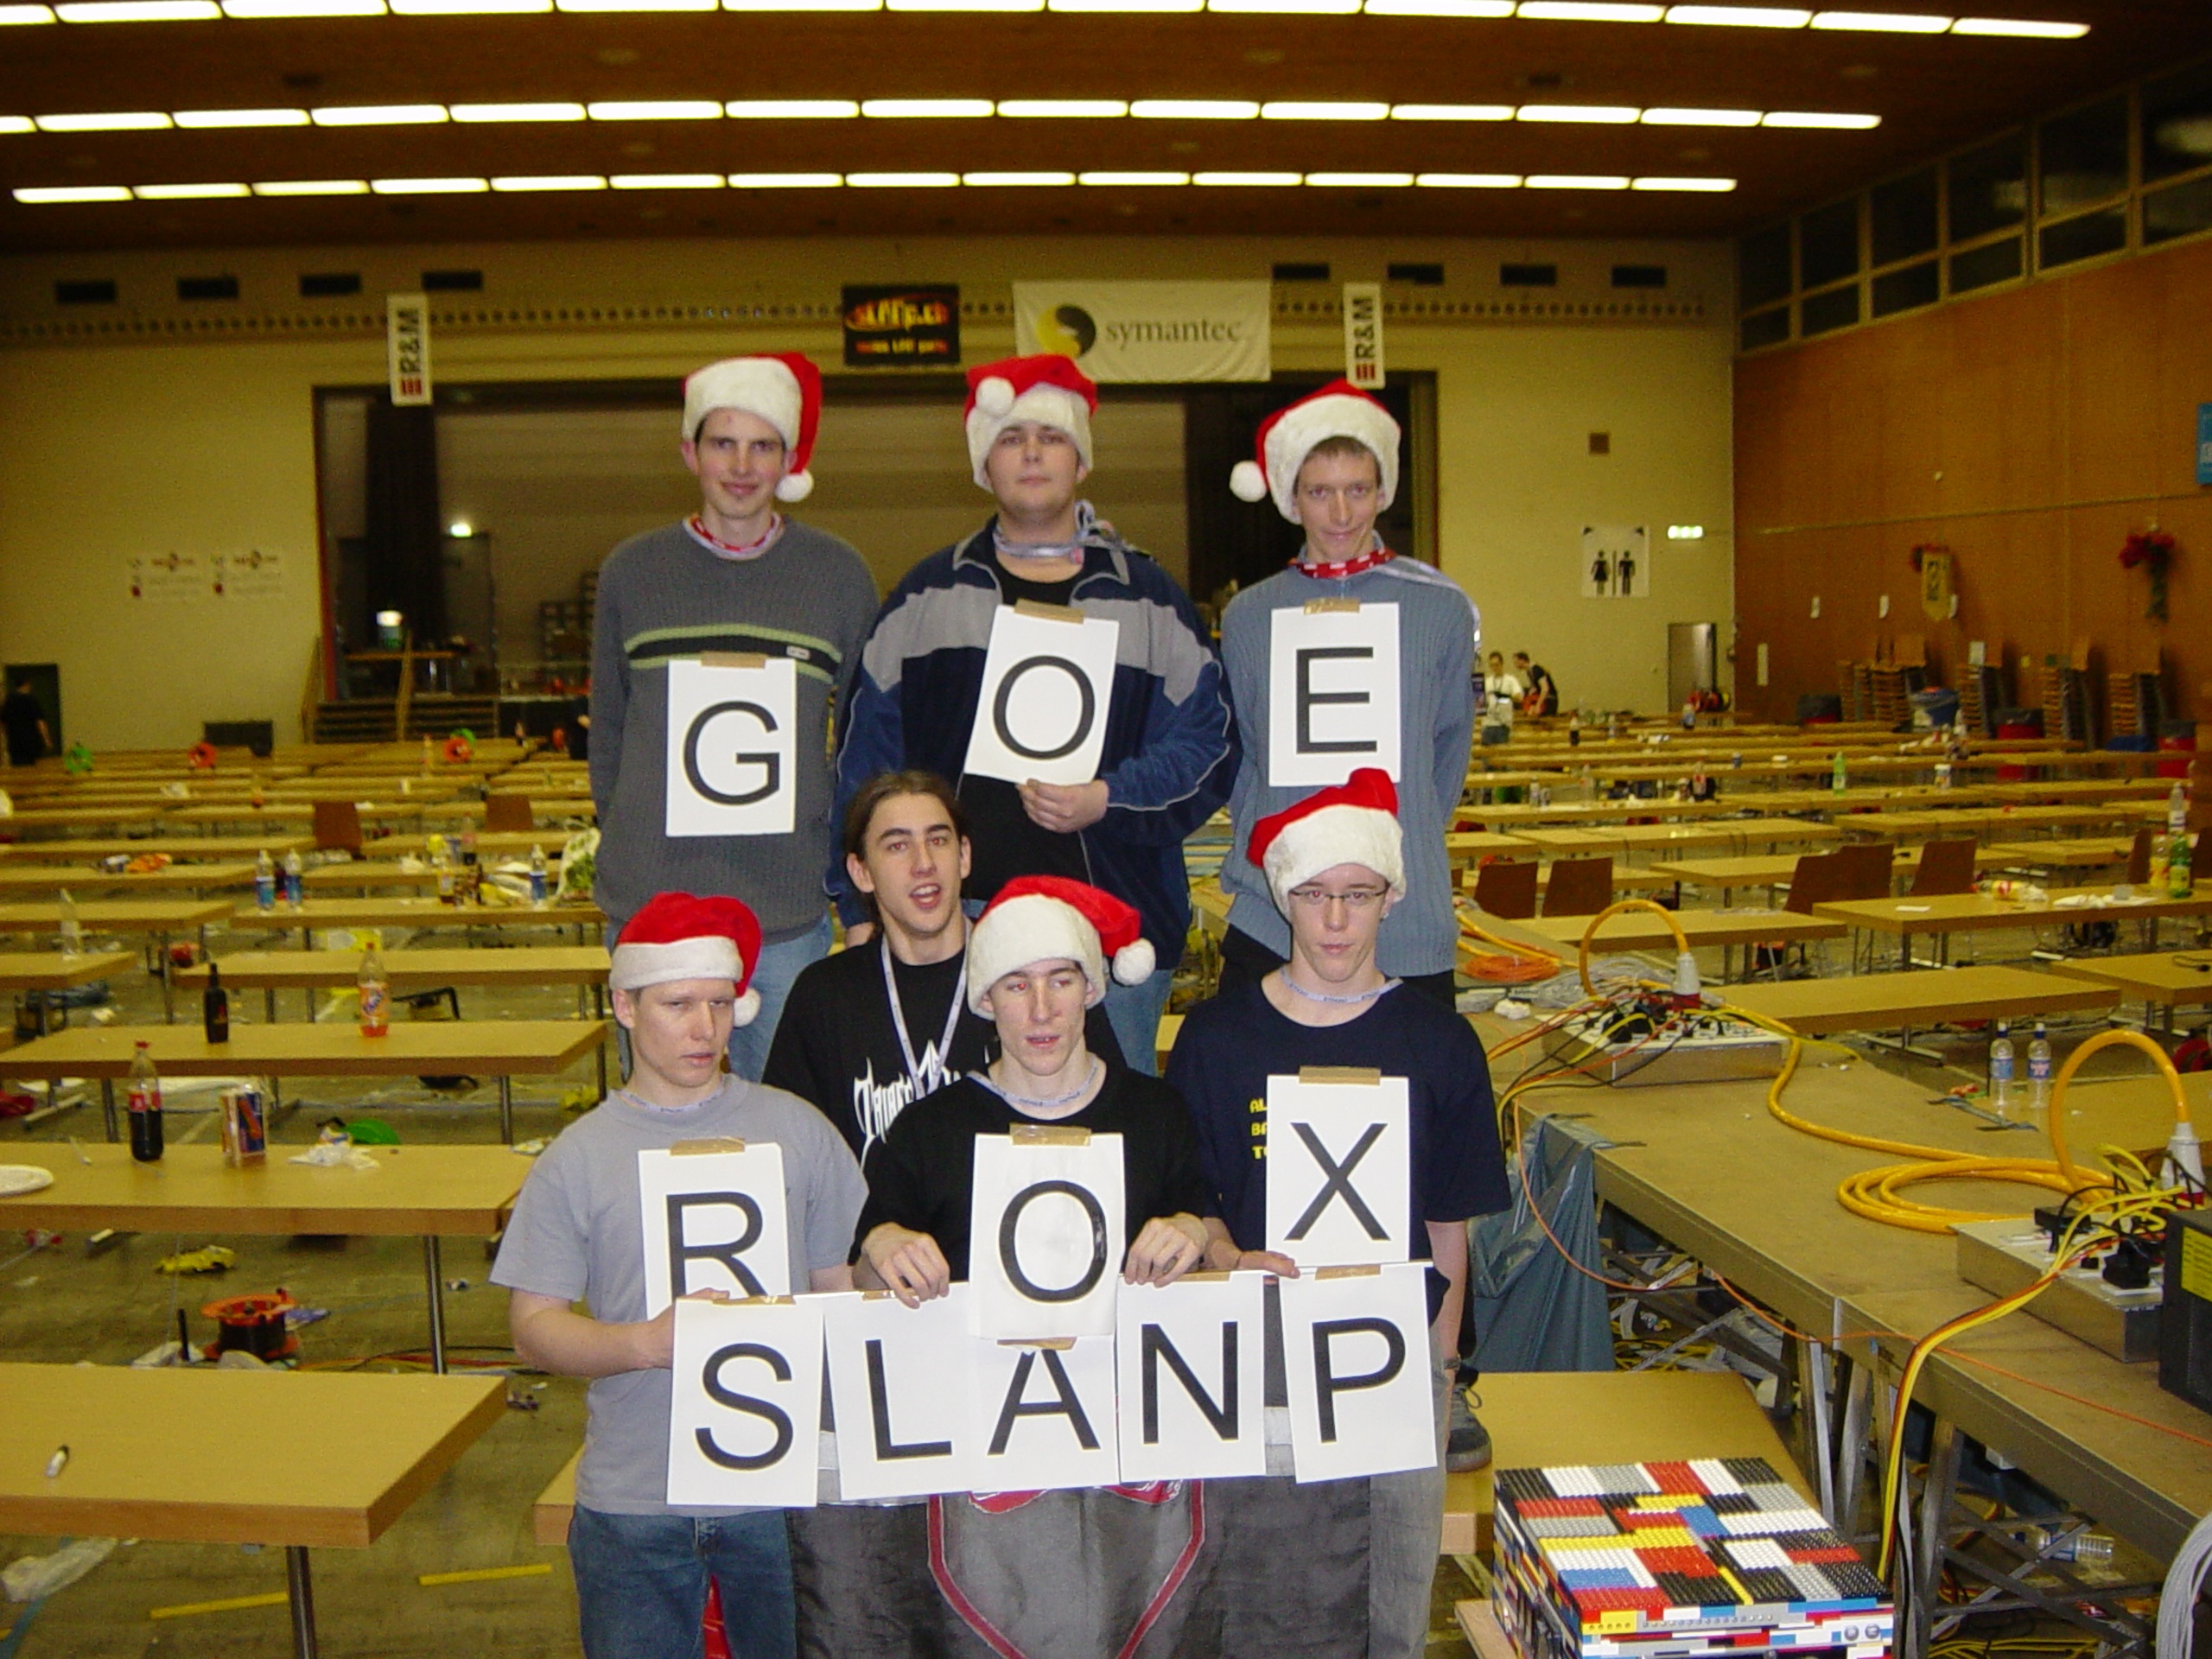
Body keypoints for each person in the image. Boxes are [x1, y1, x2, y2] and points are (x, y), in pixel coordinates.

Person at [1166, 770, 1510, 1659]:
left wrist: (1438, 1375)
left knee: (1383, 1603)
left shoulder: (1439, 1042)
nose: (1334, 920)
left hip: (1389, 1358)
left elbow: (1447, 1229)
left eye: (1357, 895)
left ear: (1392, 898)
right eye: (1314, 894)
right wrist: (1225, 1257)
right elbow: (1193, 1203)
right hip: (1256, 1351)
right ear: (1283, 895)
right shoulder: (1216, 1038)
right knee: (1250, 1594)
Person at [832, 354, 1236, 1074]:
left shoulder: (1148, 599)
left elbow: (1211, 743)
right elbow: (867, 763)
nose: (1031, 453)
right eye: (1011, 438)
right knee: (965, 1126)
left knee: (1116, 1125)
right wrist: (860, 908)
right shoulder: (925, 599)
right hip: (955, 929)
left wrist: (1109, 797)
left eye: (1050, 437)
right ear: (983, 463)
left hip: (1118, 926)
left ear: (1082, 459)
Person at [491, 891, 867, 1659]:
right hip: (636, 1498)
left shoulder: (797, 1129)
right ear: (625, 1006)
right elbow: (533, 1327)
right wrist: (649, 1344)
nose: (705, 1029)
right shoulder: (577, 1157)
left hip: (782, 1490)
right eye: (678, 1005)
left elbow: (844, 1291)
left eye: (721, 1004)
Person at [588, 353, 877, 1079]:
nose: (743, 466)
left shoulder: (839, 575)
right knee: (661, 1120)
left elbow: (863, 742)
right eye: (723, 443)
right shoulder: (631, 572)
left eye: (763, 446)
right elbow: (609, 731)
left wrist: (849, 886)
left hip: (786, 910)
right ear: (690, 452)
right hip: (654, 908)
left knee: (785, 1113)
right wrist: (633, 844)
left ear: (789, 459)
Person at [1214, 379, 1478, 1009]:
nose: (1339, 514)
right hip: (1272, 912)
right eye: (1319, 492)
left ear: (1383, 491)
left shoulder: (1440, 610)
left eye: (1357, 490)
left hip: (1403, 915)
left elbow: (1447, 755)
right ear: (1289, 497)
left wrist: (1397, 835)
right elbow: (1243, 757)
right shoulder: (1249, 616)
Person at [852, 874, 1208, 1301]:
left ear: (1090, 989)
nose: (1042, 1011)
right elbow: (865, 1281)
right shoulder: (929, 1128)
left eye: (1061, 981)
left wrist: (1194, 1235)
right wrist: (880, 1246)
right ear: (988, 1000)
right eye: (1018, 986)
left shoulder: (1156, 1114)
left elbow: (1203, 1257)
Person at [762, 768, 1122, 1160]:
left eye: (938, 840)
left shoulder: (1036, 970)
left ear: (964, 856)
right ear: (861, 872)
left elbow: (1113, 1116)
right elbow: (791, 1149)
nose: (924, 863)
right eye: (897, 846)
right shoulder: (825, 994)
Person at [3, 678, 49, 767]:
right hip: (31, 740)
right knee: (33, 767)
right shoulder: (31, 700)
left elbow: (3, 722)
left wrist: (6, 736)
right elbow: (40, 722)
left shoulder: (9, 701)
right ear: (27, 685)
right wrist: (46, 739)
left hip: (14, 741)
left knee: (17, 768)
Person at [1479, 650, 1521, 746]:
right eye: (1492, 665)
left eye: (1497, 665)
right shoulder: (1487, 682)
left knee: (1501, 751)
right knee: (1486, 750)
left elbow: (1519, 697)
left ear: (1502, 664)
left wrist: (1503, 697)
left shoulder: (1510, 680)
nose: (1495, 668)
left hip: (1503, 723)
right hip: (1488, 723)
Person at [1514, 651, 1559, 717]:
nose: (1515, 665)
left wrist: (1538, 705)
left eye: (1516, 662)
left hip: (1549, 700)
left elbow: (1545, 689)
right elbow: (1535, 688)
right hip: (1542, 698)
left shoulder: (1536, 670)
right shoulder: (1529, 671)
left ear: (1522, 660)